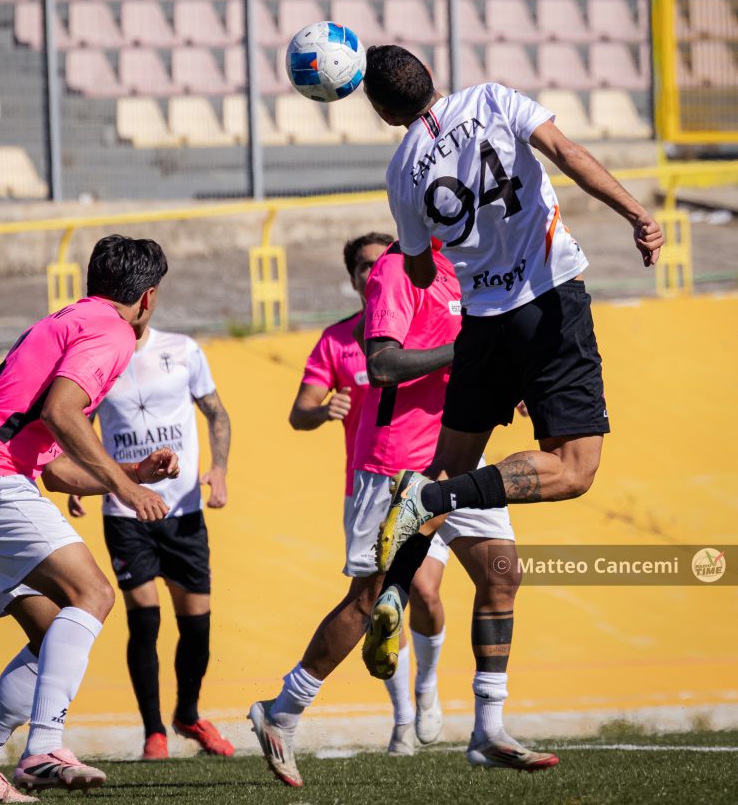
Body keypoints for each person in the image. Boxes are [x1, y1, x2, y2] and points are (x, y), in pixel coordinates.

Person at [358, 45, 665, 707]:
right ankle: (431, 504)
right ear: (432, 79)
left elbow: (415, 270)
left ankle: (392, 588)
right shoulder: (492, 98)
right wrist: (635, 213)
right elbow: (567, 154)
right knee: (575, 468)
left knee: (444, 464)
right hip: (547, 301)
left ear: (383, 111)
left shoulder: (401, 169)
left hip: (480, 324)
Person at [250, 237, 554, 787]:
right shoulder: (394, 269)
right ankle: (282, 711)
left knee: (501, 573)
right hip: (392, 466)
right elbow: (383, 365)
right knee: (367, 600)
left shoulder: (458, 268)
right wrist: (464, 353)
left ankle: (487, 729)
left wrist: (508, 385)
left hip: (459, 455)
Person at [0, 235, 175, 804]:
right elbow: (62, 411)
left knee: (50, 634)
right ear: (149, 297)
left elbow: (56, 467)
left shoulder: (66, 321)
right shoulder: (113, 331)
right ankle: (44, 747)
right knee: (92, 593)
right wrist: (125, 489)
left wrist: (131, 470)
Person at [285, 231, 451, 760]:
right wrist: (321, 410)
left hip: (435, 467)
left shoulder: (431, 316)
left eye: (379, 261)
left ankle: (426, 688)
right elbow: (299, 411)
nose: (371, 270)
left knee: (422, 591)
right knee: (382, 601)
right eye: (361, 264)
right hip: (370, 480)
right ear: (354, 274)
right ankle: (403, 717)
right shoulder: (337, 341)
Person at [67, 315, 234, 762]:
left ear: (146, 300)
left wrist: (219, 469)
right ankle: (154, 731)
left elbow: (216, 411)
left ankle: (188, 714)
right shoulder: (94, 363)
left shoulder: (182, 349)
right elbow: (71, 427)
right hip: (126, 511)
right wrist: (78, 484)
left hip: (183, 513)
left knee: (197, 626)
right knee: (144, 620)